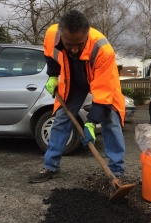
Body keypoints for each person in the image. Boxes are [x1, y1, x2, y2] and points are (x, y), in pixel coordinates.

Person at [28, 10, 126, 183]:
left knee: (111, 118)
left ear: (87, 35)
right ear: (61, 35)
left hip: (98, 78)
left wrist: (91, 122)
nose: (74, 49)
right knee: (61, 118)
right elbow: (50, 56)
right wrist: (52, 76)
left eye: (79, 44)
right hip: (73, 81)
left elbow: (103, 95)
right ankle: (50, 166)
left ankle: (116, 172)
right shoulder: (52, 35)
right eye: (69, 44)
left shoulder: (103, 50)